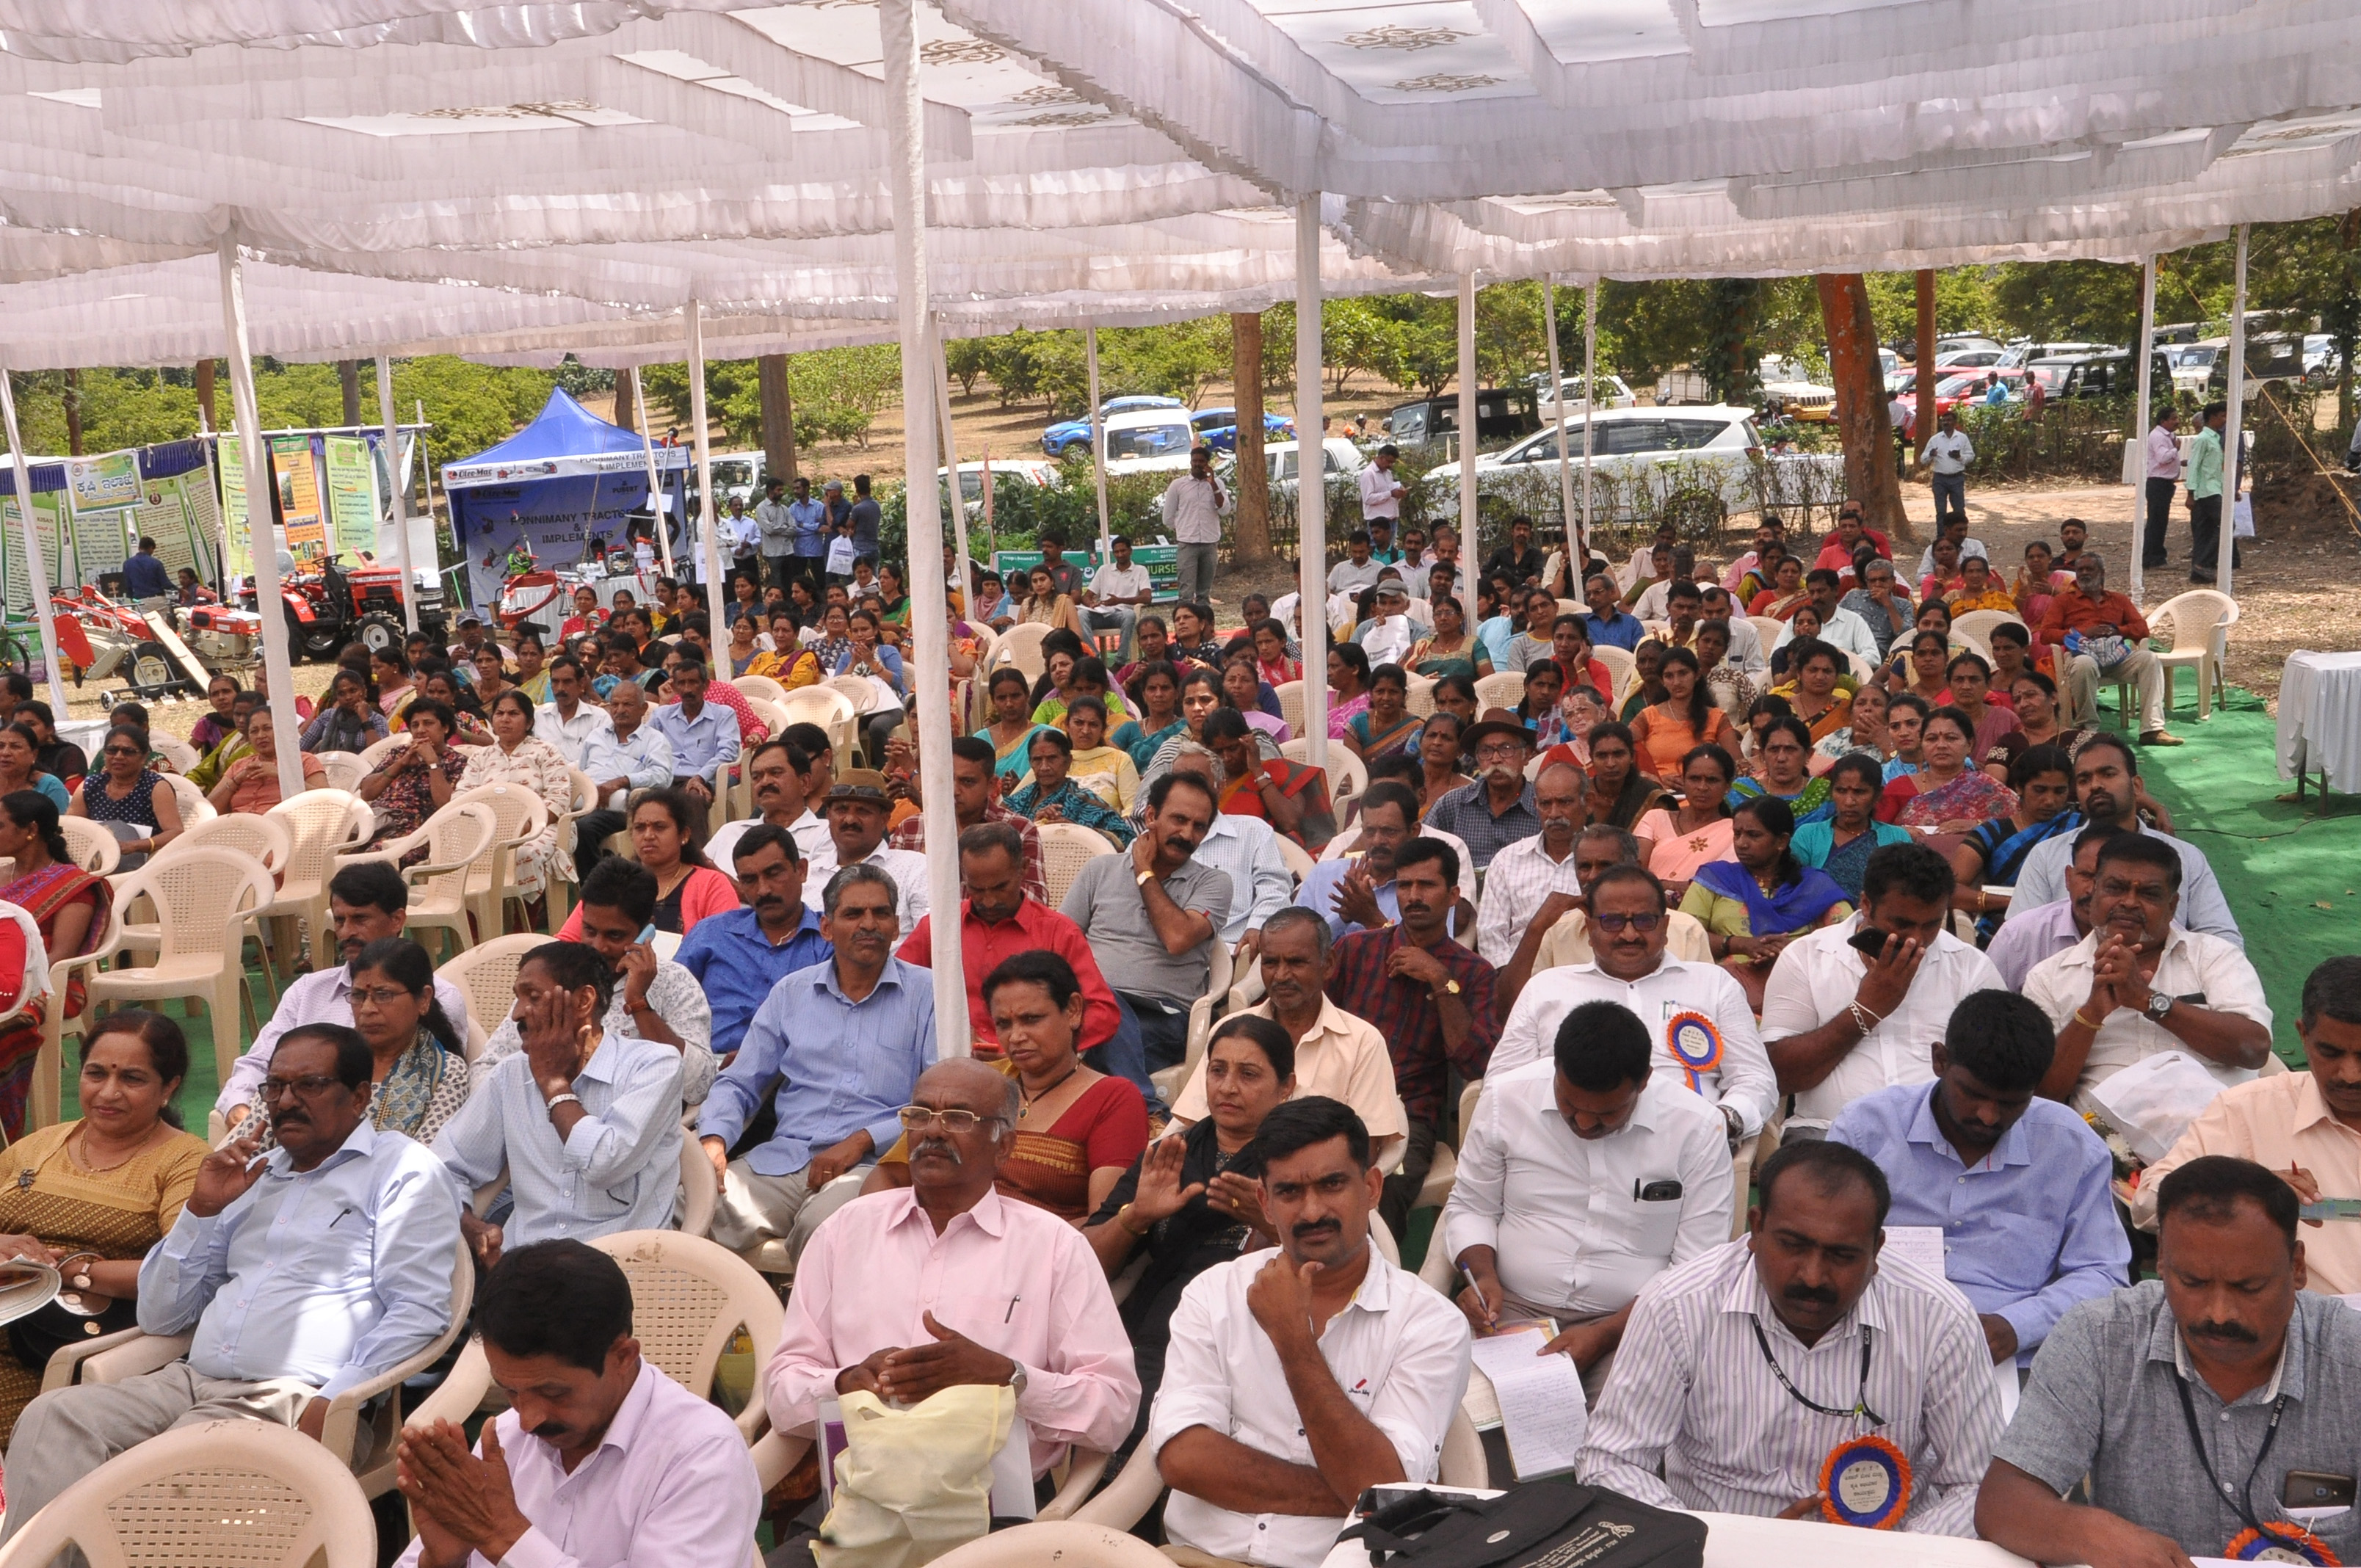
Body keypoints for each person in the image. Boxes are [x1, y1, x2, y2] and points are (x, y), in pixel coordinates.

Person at [0, 1022, 464, 1544]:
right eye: (275, 1087)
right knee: (53, 1417)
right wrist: (199, 1212)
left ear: (358, 1096)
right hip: (191, 1380)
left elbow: (418, 1310)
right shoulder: (251, 1174)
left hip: (293, 1395)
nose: (285, 1101)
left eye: (308, 1085)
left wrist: (333, 1399)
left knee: (153, 1481)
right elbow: (162, 1315)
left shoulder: (404, 1172)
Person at [1577, 1140, 2003, 1535]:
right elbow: (1613, 1461)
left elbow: (1979, 1483)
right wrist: (1715, 1549)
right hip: (1721, 1550)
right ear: (1756, 1228)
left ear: (1877, 1250)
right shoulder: (1678, 1305)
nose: (1813, 1276)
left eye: (1842, 1255)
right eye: (1793, 1245)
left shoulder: (1939, 1318)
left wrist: (1884, 1559)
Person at [765, 1057, 1139, 1498]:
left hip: (991, 1511)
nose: (934, 1131)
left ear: (1005, 1147)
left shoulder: (1054, 1248)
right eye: (920, 1115)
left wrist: (1009, 1379)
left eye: (959, 1118)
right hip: (858, 1500)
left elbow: (1115, 1408)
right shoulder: (844, 1232)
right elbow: (780, 1389)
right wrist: (843, 1383)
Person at [1978, 1156, 2361, 1568]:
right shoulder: (2100, 1339)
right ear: (2161, 1261)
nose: (2218, 1313)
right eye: (2192, 1283)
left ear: (2298, 1267)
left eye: (2248, 1287)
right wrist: (2088, 1532)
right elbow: (2004, 1500)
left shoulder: (2350, 1356)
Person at [1150, 1097, 1470, 1568]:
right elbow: (1182, 1456)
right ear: (1264, 1201)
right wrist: (1350, 1493)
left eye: (1332, 1184)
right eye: (1289, 1192)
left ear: (1373, 1187)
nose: (1312, 1210)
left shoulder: (1430, 1324)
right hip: (1197, 1558)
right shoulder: (1214, 1293)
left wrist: (1292, 1340)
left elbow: (1383, 1482)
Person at [394, 1240, 761, 1568]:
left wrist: (503, 1536)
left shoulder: (703, 1455)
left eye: (554, 1393)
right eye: (510, 1391)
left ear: (622, 1357)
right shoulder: (504, 1438)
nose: (528, 1420)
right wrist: (442, 1562)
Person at [1448, 998, 1736, 1398]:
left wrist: (1605, 1334)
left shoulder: (1697, 1129)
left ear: (1645, 1080)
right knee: (1480, 1425)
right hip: (1512, 1307)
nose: (1583, 1122)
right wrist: (1483, 1277)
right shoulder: (1505, 1100)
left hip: (1636, 1322)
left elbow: (1696, 1268)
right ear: (1556, 1068)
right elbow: (1471, 1206)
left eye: (1606, 1114)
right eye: (1568, 1104)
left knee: (1625, 1430)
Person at [1829, 990, 2128, 1373]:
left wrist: (2016, 1326)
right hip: (1872, 1337)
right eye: (1973, 1094)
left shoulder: (2070, 1146)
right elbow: (1825, 1244)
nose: (1988, 1117)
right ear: (1940, 1060)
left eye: (2011, 1103)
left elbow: (2103, 1271)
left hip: (2011, 1359)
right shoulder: (1866, 1129)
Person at [694, 861, 934, 1266]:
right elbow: (740, 1082)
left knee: (828, 1230)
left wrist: (861, 1140)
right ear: (826, 927)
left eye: (881, 913)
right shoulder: (792, 992)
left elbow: (936, 1104)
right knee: (688, 1209)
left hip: (875, 1167)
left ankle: (801, 1328)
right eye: (853, 914)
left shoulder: (928, 994)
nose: (869, 924)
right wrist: (714, 1139)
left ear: (896, 927)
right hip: (785, 1160)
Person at [0, 1011, 208, 1442]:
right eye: (96, 1073)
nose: (108, 1093)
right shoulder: (39, 1147)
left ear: (169, 1087)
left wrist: (69, 1271)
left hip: (70, 1343)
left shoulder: (185, 1161)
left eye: (132, 1078)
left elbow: (181, 1272)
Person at [1085, 1015, 1290, 1452]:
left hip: (1252, 1344)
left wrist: (1271, 1225)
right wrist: (1136, 1216)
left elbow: (1338, 1264)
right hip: (1154, 1328)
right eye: (1218, 1070)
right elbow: (1086, 1264)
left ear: (1286, 1087)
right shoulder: (1170, 1154)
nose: (1228, 1087)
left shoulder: (1299, 1162)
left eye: (1248, 1074)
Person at [434, 941, 685, 1272]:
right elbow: (441, 1168)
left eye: (533, 997)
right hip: (523, 1270)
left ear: (583, 1001)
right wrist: (471, 1226)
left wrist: (553, 1083)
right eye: (518, 998)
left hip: (622, 1270)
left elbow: (604, 1164)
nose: (517, 1014)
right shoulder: (511, 1074)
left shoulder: (654, 1065)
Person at [1492, 862, 1774, 1150]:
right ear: (1590, 929)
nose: (1629, 934)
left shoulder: (1714, 985)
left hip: (1685, 1148)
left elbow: (1755, 1078)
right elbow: (1500, 1084)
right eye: (1612, 921)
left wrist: (1722, 1122)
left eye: (1644, 921)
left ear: (1665, 927)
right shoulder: (1546, 988)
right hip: (1566, 1146)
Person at [2133, 957, 2361, 1295]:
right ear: (2302, 1034)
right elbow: (2149, 1204)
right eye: (2330, 1053)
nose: (2349, 1075)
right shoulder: (2248, 1111)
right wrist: (2248, 1192)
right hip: (2305, 1332)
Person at [1761, 843, 2003, 1137]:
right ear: (1865, 904)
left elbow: (1997, 1074)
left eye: (1931, 925)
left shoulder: (1971, 966)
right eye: (1902, 924)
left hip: (1941, 1136)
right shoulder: (1806, 957)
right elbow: (1780, 1076)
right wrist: (1866, 1009)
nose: (1917, 939)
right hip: (1829, 1132)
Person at [2023, 832, 2272, 1111]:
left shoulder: (2215, 957)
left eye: (2148, 893)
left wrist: (2147, 1000)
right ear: (2094, 893)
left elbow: (2255, 1049)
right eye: (2115, 888)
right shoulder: (2048, 977)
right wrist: (2091, 1014)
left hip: (2218, 1136)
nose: (2129, 902)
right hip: (2106, 1146)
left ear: (2173, 906)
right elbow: (2043, 1097)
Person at [1325, 837, 1497, 1233]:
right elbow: (1310, 1023)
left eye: (1427, 886)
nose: (1414, 896)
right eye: (1405, 886)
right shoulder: (1356, 950)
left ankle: (1375, 1287)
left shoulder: (1473, 973)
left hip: (1406, 1117)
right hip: (1333, 1099)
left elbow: (1477, 1063)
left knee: (1380, 1194)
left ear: (1453, 895)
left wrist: (1440, 980)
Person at [1167, 907, 1407, 1161]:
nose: (1281, 976)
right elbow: (1190, 1122)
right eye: (1270, 963)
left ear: (1328, 964)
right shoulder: (1230, 1031)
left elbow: (1363, 1152)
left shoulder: (1362, 1042)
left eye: (1296, 962)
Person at [897, 821, 1122, 1059]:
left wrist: (1039, 1046)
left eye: (1000, 887)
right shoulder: (938, 927)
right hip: (950, 1063)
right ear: (962, 877)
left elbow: (1102, 1013)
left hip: (1036, 1068)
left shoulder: (1059, 932)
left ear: (1023, 868)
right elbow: (898, 994)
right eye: (977, 890)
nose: (989, 901)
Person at [2007, 734, 2242, 943]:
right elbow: (2018, 937)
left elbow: (2223, 940)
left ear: (2137, 786)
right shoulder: (2047, 856)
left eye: (2108, 774)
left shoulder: (2186, 857)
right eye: (2084, 780)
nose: (2096, 785)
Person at [1682, 796, 1853, 1012]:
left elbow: (1847, 942)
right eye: (1737, 834)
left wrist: (1791, 953)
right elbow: (1684, 935)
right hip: (1722, 990)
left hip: (1800, 989)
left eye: (1753, 835)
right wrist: (1741, 945)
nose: (1741, 843)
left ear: (1781, 841)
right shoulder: (1715, 879)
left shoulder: (1816, 887)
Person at [2037, 552, 2183, 747]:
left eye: (2090, 569)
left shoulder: (2118, 600)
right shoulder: (2064, 601)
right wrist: (2083, 632)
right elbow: (2046, 634)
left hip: (2116, 657)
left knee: (2149, 659)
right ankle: (2087, 730)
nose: (2084, 573)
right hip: (2082, 654)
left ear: (2102, 573)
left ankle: (2152, 729)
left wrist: (2116, 630)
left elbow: (2142, 630)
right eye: (2080, 570)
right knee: (2084, 664)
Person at [1161, 745, 1292, 956]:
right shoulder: (1154, 837)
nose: (1186, 790)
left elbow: (1275, 888)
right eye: (1178, 781)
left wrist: (1257, 926)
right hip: (1164, 951)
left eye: (1197, 781)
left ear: (1220, 786)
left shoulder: (1253, 831)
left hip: (1234, 949)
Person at [456, 689, 572, 910]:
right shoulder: (481, 757)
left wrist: (528, 825)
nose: (505, 719)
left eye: (513, 714)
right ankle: (475, 922)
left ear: (529, 722)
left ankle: (525, 921)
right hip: (488, 829)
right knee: (458, 850)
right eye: (499, 714)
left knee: (525, 852)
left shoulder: (546, 751)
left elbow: (559, 798)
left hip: (542, 826)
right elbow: (462, 797)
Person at [1952, 744, 2076, 939]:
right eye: (2040, 790)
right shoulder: (1991, 833)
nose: (2050, 800)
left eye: (2059, 791)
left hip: (2070, 928)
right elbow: (1949, 891)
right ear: (2019, 787)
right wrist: (2015, 901)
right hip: (2005, 931)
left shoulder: (2080, 828)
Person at [1987, 822, 2124, 991]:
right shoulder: (2019, 935)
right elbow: (1985, 1008)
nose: (2092, 890)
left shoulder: (2152, 937)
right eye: (2086, 876)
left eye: (2108, 882)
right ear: (2068, 877)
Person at [801, 769, 930, 938]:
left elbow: (930, 939)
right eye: (841, 810)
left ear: (885, 819)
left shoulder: (916, 868)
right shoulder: (807, 876)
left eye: (863, 811)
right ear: (828, 816)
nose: (850, 820)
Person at [1423, 715, 1541, 873]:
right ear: (1477, 758)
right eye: (1486, 751)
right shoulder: (1453, 803)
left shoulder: (1544, 805)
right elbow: (1421, 852)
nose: (1496, 759)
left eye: (1506, 749)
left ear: (1526, 755)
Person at [1793, 754, 1912, 904]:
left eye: (1859, 792)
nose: (1849, 802)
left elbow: (1905, 893)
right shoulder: (1808, 835)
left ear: (1878, 794)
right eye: (1841, 791)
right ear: (1831, 791)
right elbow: (1794, 889)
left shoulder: (1896, 837)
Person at [648, 656, 742, 803]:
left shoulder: (723, 714)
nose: (687, 689)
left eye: (693, 683)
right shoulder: (661, 715)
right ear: (675, 687)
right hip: (666, 779)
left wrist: (700, 778)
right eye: (682, 683)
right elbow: (644, 747)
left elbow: (727, 753)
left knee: (695, 797)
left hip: (703, 778)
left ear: (706, 685)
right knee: (640, 798)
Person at [206, 705, 324, 814]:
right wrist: (237, 780)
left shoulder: (304, 761)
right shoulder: (239, 766)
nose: (260, 736)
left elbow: (327, 802)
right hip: (239, 828)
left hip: (282, 830)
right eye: (254, 731)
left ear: (281, 731)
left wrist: (281, 776)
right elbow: (209, 809)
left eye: (267, 728)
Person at [1162, 445, 1226, 604]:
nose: (1197, 464)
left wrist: (1213, 485)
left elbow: (1224, 510)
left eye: (1201, 462)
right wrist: (1184, 529)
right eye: (1194, 461)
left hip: (1209, 543)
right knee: (1186, 593)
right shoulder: (1178, 485)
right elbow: (1168, 517)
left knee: (1204, 593)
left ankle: (1204, 625)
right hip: (1187, 545)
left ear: (1208, 463)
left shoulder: (1217, 484)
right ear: (1190, 462)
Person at [2187, 399, 2234, 581]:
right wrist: (2190, 492)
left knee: (2204, 531)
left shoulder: (2214, 438)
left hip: (2214, 488)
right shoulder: (2203, 440)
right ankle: (2204, 563)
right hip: (2207, 491)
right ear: (2212, 417)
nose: (2224, 420)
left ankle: (2198, 573)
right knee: (2228, 525)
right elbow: (2194, 466)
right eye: (2222, 416)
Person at [1922, 408, 1973, 528]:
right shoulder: (1935, 439)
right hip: (1940, 479)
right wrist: (1931, 455)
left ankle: (1960, 534)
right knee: (1941, 511)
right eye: (1944, 420)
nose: (1946, 423)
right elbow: (1923, 459)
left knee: (1959, 510)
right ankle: (1941, 537)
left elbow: (1971, 456)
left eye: (1949, 420)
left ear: (1955, 423)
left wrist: (1960, 457)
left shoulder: (1962, 438)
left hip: (1957, 478)